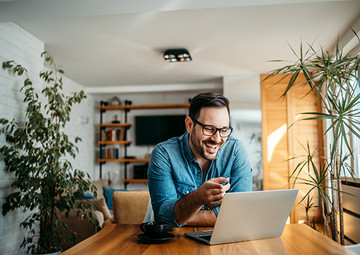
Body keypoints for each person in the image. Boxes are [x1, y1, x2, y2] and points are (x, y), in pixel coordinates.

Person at [147, 92, 252, 227]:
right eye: (209, 129)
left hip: (223, 244)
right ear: (190, 125)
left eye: (224, 130)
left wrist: (181, 217)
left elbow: (241, 213)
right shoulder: (164, 154)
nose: (217, 139)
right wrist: (198, 198)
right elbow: (163, 216)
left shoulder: (235, 151)